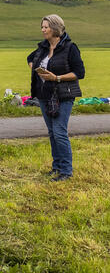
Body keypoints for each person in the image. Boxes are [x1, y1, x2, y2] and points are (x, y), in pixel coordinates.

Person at [27, 14, 85, 181]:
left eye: (46, 27)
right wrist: (37, 70)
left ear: (55, 28)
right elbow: (30, 58)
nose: (43, 30)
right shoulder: (43, 47)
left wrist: (57, 78)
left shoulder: (70, 47)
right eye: (42, 27)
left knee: (60, 132)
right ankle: (56, 167)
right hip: (44, 95)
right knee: (52, 132)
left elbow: (79, 73)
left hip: (63, 95)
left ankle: (66, 171)